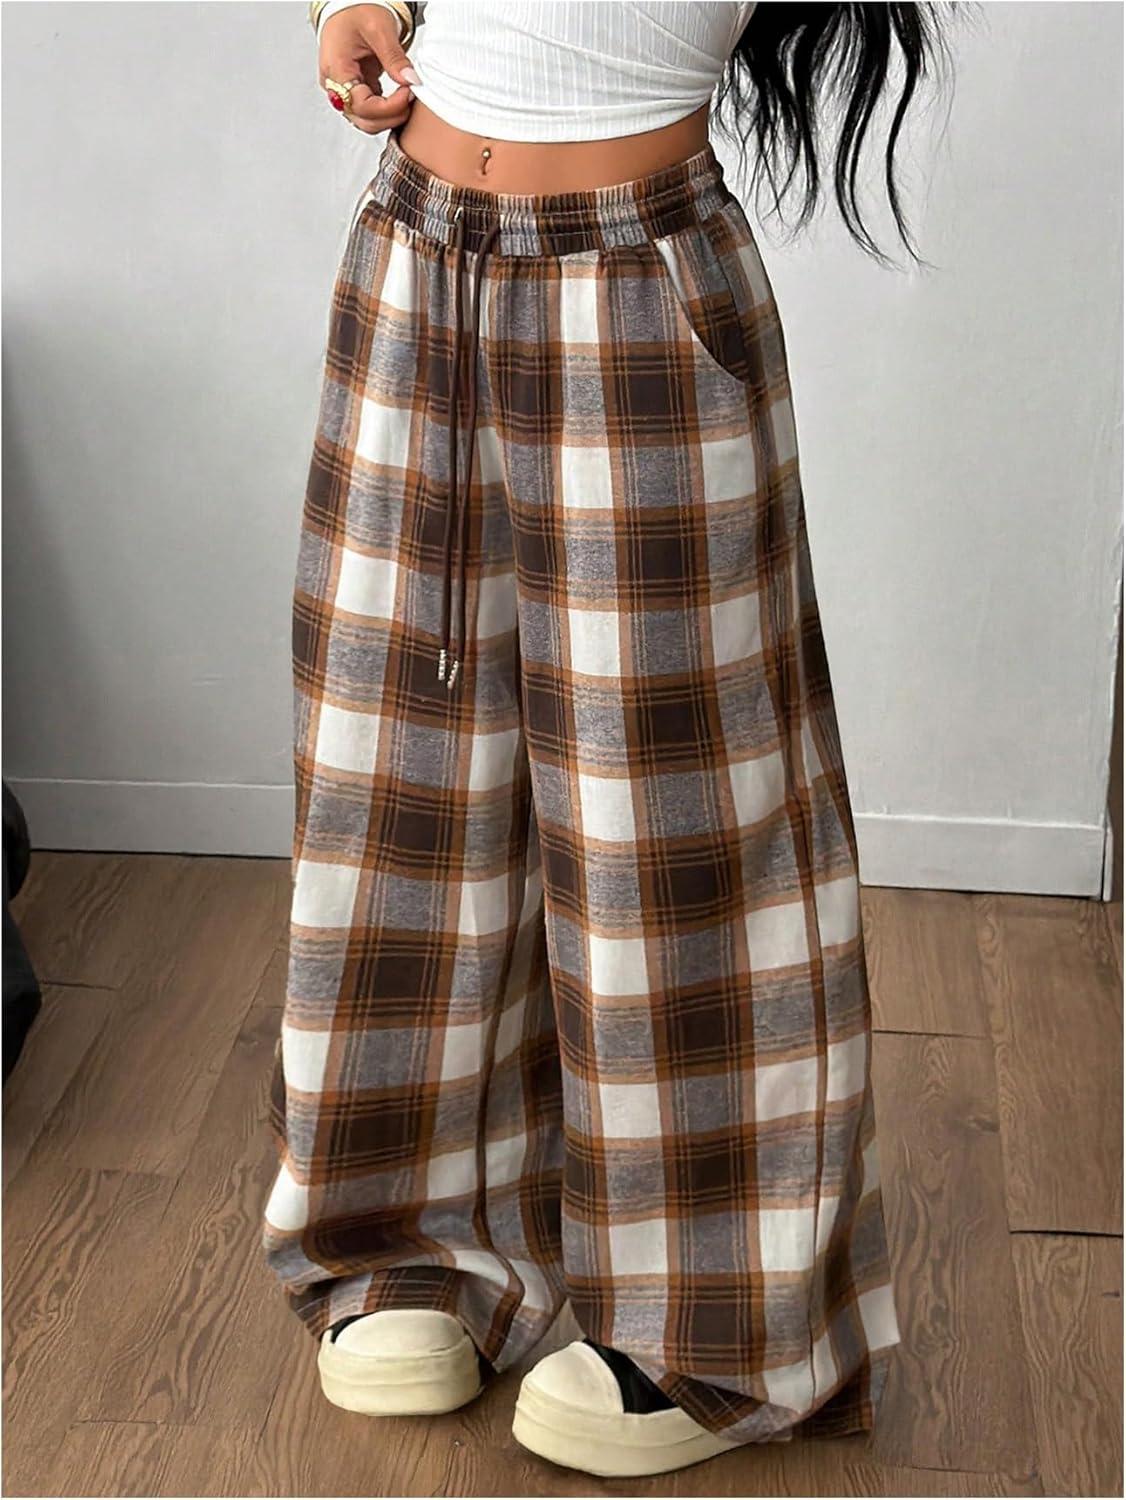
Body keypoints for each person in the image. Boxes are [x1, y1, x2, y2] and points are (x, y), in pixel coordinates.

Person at [262, 0, 951, 1479]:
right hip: (413, 253)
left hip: (639, 276)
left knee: (678, 818)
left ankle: (714, 1317)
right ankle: (408, 1244)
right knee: (397, 782)